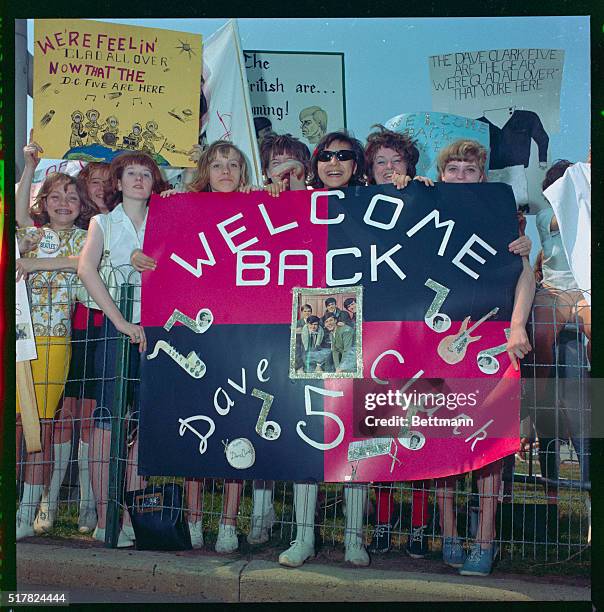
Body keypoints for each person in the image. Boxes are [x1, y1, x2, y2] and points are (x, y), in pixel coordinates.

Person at [429, 139, 535, 576]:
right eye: (451, 168)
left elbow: (524, 279)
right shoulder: (424, 207)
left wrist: (516, 326)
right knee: (439, 434)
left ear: (482, 176)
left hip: (490, 341)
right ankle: (450, 532)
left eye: (468, 169)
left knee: (488, 441)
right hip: (434, 339)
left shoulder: (504, 218)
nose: (459, 175)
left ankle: (485, 538)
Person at [158, 140, 262, 552]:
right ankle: (195, 518)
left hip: (240, 331)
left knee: (238, 424)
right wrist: (167, 206)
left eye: (233, 165)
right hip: (198, 332)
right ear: (205, 169)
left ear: (242, 172)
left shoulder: (258, 205)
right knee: (195, 420)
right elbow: (163, 255)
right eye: (217, 164)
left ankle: (228, 522)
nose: (225, 171)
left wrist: (272, 191)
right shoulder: (183, 206)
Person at [280, 131, 369, 568]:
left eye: (344, 156)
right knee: (306, 433)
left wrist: (420, 187)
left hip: (362, 335)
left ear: (357, 163)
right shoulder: (296, 203)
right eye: (326, 156)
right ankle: (303, 538)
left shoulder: (377, 202)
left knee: (356, 435)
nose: (334, 163)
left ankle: (354, 539)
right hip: (305, 335)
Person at [78, 152, 169, 548]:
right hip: (118, 334)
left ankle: (132, 512)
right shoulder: (103, 222)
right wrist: (120, 322)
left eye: (145, 174)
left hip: (158, 334)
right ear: (118, 181)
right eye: (131, 173)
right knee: (107, 424)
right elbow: (86, 269)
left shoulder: (166, 219)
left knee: (141, 427)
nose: (138, 179)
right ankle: (104, 516)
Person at [15, 162, 93, 540]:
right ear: (43, 203)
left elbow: (83, 266)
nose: (64, 202)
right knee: (15, 428)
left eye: (72, 197)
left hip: (53, 343)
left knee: (39, 429)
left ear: (82, 205)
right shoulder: (32, 235)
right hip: (16, 340)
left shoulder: (84, 238)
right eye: (56, 196)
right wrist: (30, 165)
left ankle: (26, 515)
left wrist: (36, 263)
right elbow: (17, 213)